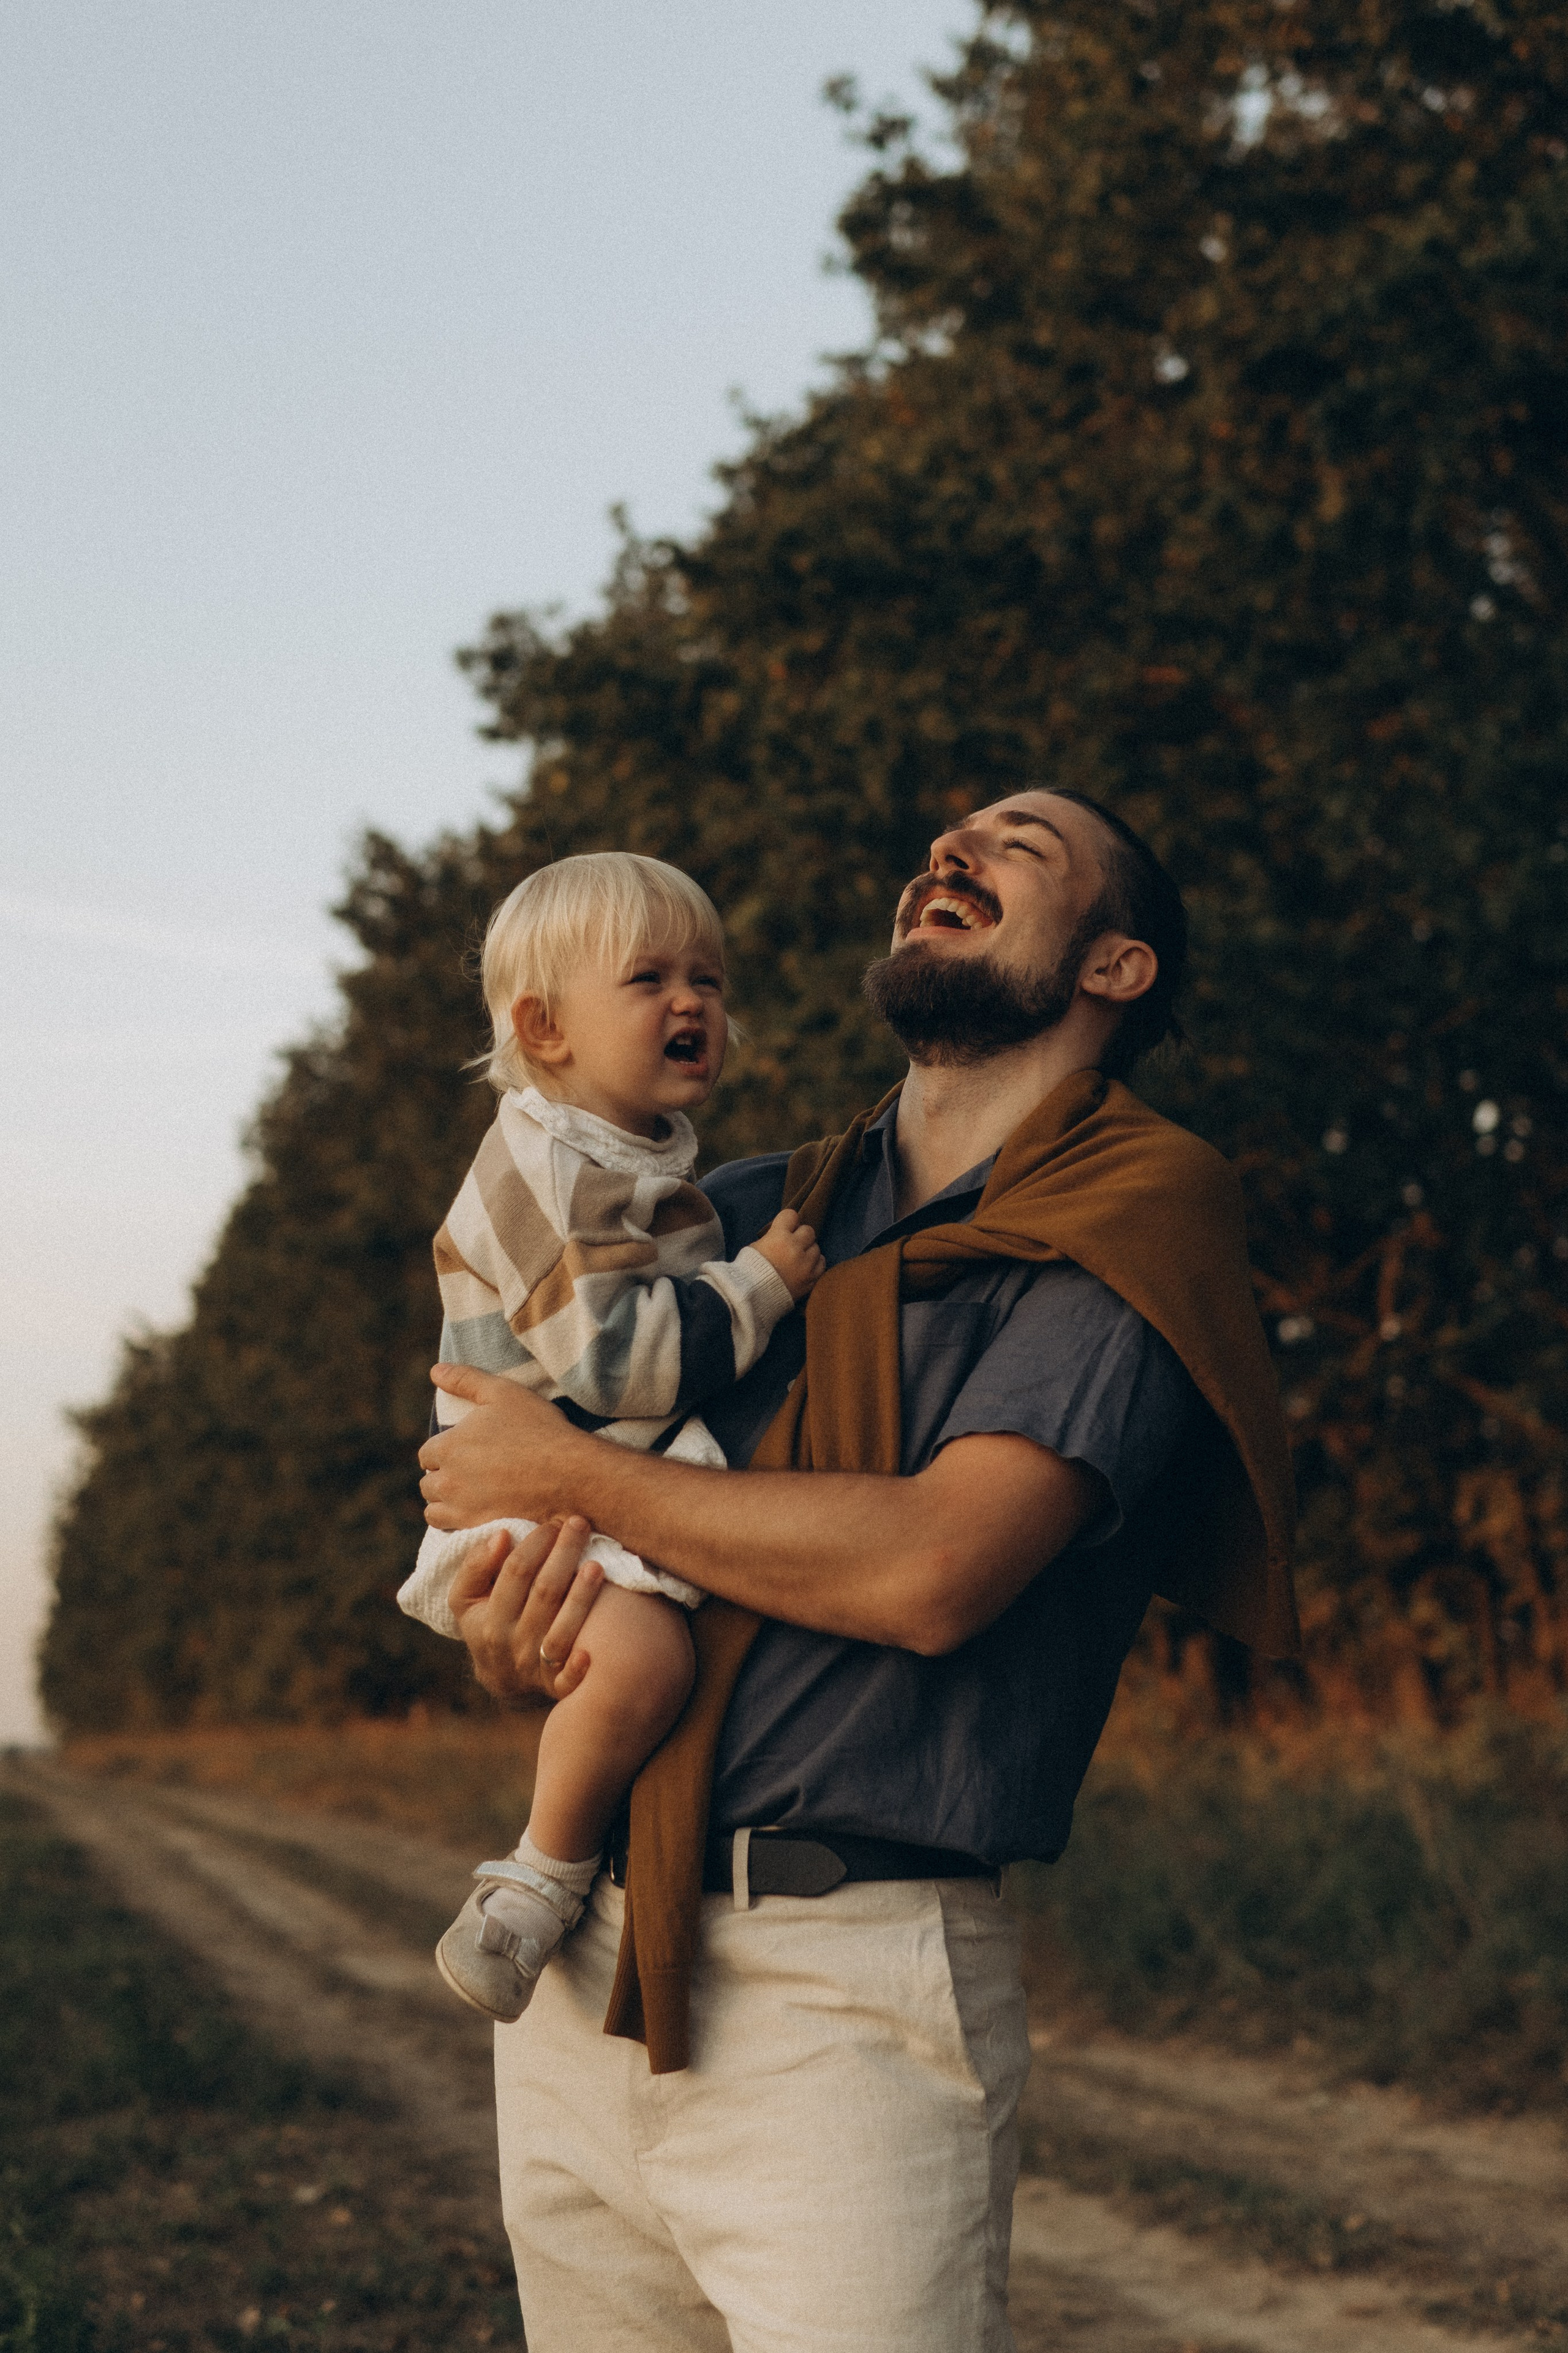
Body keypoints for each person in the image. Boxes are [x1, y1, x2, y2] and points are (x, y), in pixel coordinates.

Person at [418, 787, 1298, 2353]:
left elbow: (936, 1570)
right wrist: (515, 1625)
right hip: (586, 1958)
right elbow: (556, 1554)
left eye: (1014, 847)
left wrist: (567, 1472)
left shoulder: (1131, 1209)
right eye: (941, 845)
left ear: (1114, 968)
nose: (947, 854)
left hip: (844, 1991)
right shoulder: (747, 1213)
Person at [398, 852, 824, 2022]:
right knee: (643, 1661)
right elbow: (613, 1360)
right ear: (545, 1027)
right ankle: (530, 1885)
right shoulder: (541, 1167)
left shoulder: (617, 1153)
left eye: (711, 978)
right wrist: (762, 1287)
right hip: (533, 1499)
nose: (693, 1001)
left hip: (583, 1472)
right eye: (649, 978)